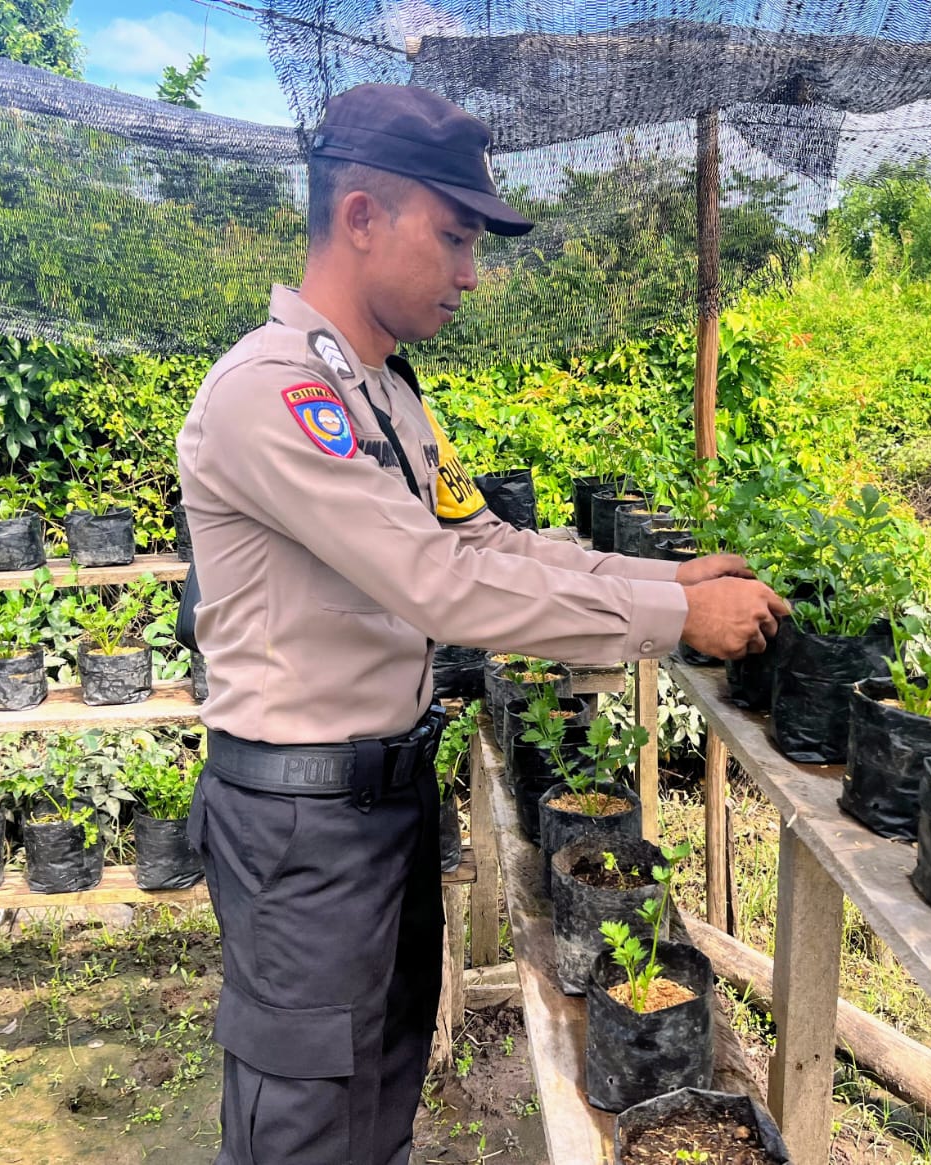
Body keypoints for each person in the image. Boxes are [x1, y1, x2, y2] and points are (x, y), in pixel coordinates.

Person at [175, 83, 789, 1165]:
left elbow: (484, 544)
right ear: (362, 216)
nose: (470, 272)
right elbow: (439, 586)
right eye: (454, 236)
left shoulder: (383, 393)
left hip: (380, 807)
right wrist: (674, 619)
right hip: (300, 836)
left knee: (381, 1093)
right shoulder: (271, 395)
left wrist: (660, 572)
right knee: (305, 1122)